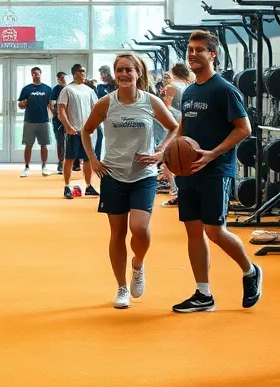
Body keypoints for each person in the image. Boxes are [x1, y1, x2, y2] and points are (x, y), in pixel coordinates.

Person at [171, 31, 264, 314]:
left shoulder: (224, 89)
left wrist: (213, 153)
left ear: (213, 54)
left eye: (199, 50)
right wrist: (164, 153)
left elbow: (244, 128)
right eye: (190, 49)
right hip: (188, 171)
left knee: (214, 231)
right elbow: (183, 129)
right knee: (193, 232)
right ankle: (203, 293)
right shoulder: (189, 91)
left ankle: (250, 271)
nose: (192, 54)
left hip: (215, 171)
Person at [82, 54, 179, 308]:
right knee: (117, 234)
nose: (124, 74)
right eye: (119, 70)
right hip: (113, 175)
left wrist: (161, 151)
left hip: (143, 175)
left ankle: (138, 264)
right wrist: (92, 158)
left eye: (129, 70)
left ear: (138, 73)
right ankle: (122, 288)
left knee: (139, 228)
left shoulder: (151, 101)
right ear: (115, 74)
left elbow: (174, 127)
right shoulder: (106, 103)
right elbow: (86, 130)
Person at [58, 63, 99, 200]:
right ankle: (67, 186)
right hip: (73, 130)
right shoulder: (68, 90)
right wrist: (68, 126)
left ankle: (89, 186)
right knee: (69, 158)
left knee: (88, 159)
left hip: (87, 131)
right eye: (81, 72)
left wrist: (94, 125)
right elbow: (61, 110)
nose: (84, 74)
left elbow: (96, 109)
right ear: (75, 73)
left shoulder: (89, 91)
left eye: (84, 72)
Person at [159, 63, 194, 208]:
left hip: (175, 122)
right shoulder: (191, 85)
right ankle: (179, 191)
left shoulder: (171, 87)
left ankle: (175, 190)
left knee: (169, 158)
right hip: (185, 122)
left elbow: (166, 106)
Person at [17, 66, 54, 177]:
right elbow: (20, 105)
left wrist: (55, 116)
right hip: (29, 121)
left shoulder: (47, 89)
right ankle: (26, 167)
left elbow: (50, 105)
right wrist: (23, 103)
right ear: (31, 75)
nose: (35, 75)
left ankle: (44, 166)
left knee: (44, 145)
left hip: (43, 121)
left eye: (37, 73)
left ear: (40, 74)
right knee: (28, 145)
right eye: (33, 74)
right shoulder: (26, 89)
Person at [50, 71, 68, 173]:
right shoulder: (55, 90)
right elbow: (51, 104)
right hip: (58, 121)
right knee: (60, 141)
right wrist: (58, 114)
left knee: (70, 142)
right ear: (58, 79)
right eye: (61, 78)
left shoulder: (69, 88)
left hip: (70, 120)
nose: (63, 79)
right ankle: (61, 163)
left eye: (64, 78)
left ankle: (73, 163)